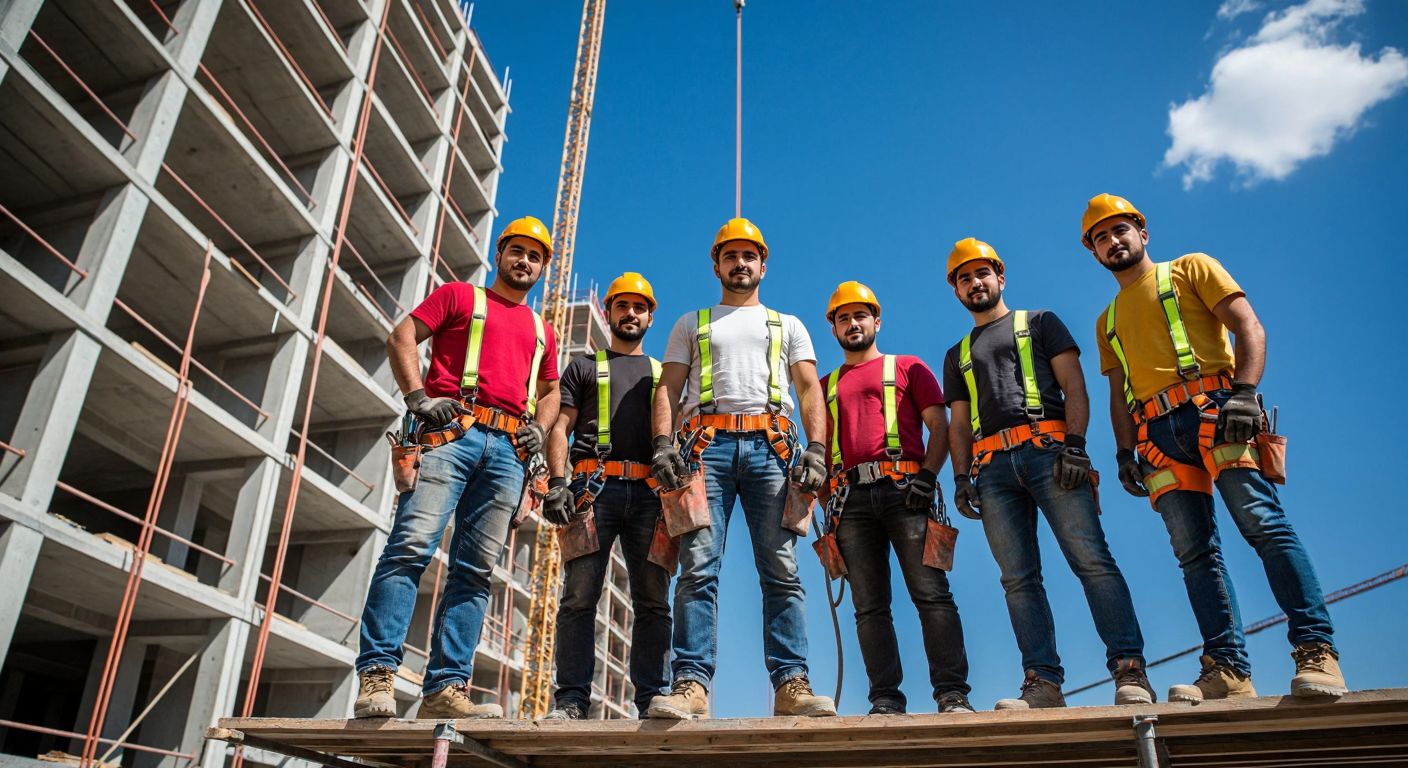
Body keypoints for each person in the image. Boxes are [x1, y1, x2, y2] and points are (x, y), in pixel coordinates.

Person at [1084, 193, 1345, 702]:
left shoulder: (1190, 269)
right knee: (1195, 555)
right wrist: (1123, 451)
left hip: (1215, 411)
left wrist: (1245, 394)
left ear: (1143, 232)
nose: (1113, 241)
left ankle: (1318, 651)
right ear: (1092, 252)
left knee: (1263, 525)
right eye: (1100, 237)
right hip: (1155, 436)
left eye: (1120, 230)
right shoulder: (1107, 320)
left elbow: (1248, 324)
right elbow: (1117, 394)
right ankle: (1228, 668)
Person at [353, 216, 560, 719]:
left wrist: (540, 425)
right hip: (452, 436)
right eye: (517, 251)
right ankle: (378, 676)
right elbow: (402, 337)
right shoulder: (458, 297)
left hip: (509, 452)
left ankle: (446, 688)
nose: (525, 261)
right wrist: (418, 398)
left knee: (475, 571)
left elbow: (551, 390)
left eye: (535, 256)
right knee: (410, 548)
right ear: (500, 254)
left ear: (542, 268)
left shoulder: (542, 330)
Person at [942, 238, 1152, 710]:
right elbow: (958, 423)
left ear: (1000, 277)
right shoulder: (956, 354)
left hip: (1050, 454)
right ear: (956, 291)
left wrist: (1076, 446)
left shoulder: (1040, 323)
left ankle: (1129, 670)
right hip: (992, 469)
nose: (975, 283)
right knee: (1017, 579)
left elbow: (1074, 386)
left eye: (982, 273)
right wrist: (959, 478)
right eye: (964, 278)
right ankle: (1042, 682)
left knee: (1091, 560)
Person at [646, 217, 836, 719]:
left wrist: (817, 451)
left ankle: (791, 683)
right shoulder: (693, 323)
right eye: (731, 256)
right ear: (716, 265)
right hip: (704, 450)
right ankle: (691, 684)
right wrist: (663, 445)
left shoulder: (787, 325)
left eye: (748, 256)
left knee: (782, 569)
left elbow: (810, 390)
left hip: (772, 451)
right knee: (697, 569)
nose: (740, 263)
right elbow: (667, 388)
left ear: (763, 265)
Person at [820, 280, 974, 715]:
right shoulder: (825, 385)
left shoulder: (908, 368)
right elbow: (819, 449)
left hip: (906, 490)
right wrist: (824, 508)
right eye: (844, 318)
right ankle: (885, 698)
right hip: (849, 502)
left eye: (860, 316)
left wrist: (928, 476)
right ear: (833, 327)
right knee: (868, 607)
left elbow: (939, 427)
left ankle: (952, 693)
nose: (853, 324)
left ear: (876, 321)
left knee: (931, 593)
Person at [543, 272, 672, 719]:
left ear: (650, 317)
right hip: (592, 492)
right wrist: (557, 482)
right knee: (579, 597)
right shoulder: (583, 366)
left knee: (653, 600)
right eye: (623, 305)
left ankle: (653, 697)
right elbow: (559, 427)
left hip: (649, 497)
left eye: (639, 307)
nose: (631, 313)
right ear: (610, 311)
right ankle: (572, 699)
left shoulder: (661, 375)